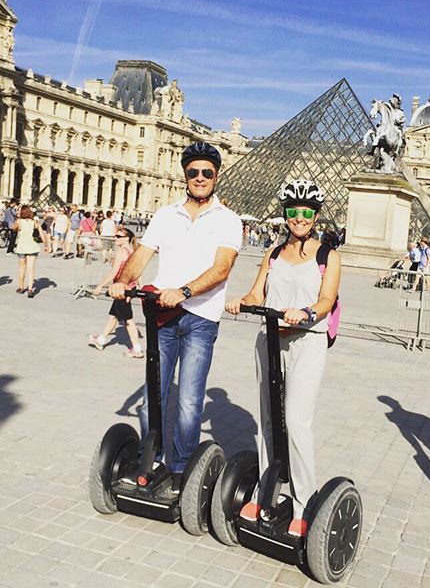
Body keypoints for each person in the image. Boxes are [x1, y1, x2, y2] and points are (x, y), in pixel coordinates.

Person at [108, 142, 242, 492]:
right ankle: (150, 459)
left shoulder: (229, 220)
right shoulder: (166, 215)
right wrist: (123, 281)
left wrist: (184, 291)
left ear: (216, 176)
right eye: (193, 172)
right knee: (154, 394)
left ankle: (181, 469)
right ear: (185, 174)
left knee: (188, 400)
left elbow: (222, 268)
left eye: (207, 173)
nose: (200, 178)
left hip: (199, 318)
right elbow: (142, 255)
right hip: (162, 316)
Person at [226, 179, 339, 538]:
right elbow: (256, 290)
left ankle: (304, 503)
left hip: (308, 341)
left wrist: (305, 313)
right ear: (285, 214)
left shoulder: (328, 257)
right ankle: (265, 493)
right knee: (267, 419)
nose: (299, 218)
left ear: (316, 216)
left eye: (307, 212)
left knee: (296, 420)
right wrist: (239, 301)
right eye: (293, 211)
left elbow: (326, 301)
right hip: (270, 340)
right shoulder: (273, 254)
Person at [88, 228, 143, 356]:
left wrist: (100, 286)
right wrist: (139, 287)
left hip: (121, 289)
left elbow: (114, 273)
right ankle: (101, 340)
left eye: (119, 236)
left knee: (128, 320)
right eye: (115, 236)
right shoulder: (132, 252)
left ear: (127, 238)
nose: (116, 238)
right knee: (114, 316)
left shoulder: (121, 252)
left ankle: (137, 349)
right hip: (128, 288)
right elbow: (138, 274)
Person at [12, 205, 46, 298]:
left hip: (22, 247)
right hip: (33, 247)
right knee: (30, 268)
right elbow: (42, 234)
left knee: (22, 267)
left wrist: (18, 220)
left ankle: (21, 287)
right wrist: (46, 245)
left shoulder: (19, 222)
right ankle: (30, 289)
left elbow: (13, 228)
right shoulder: (35, 222)